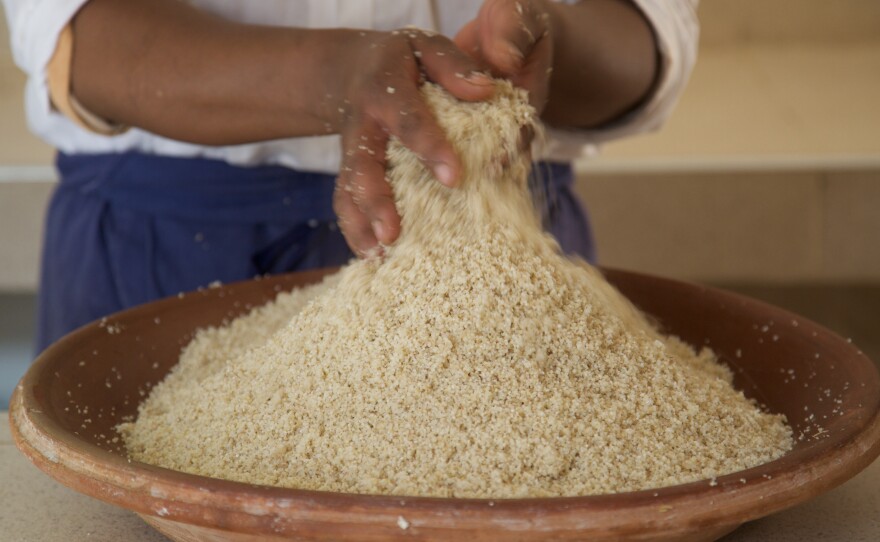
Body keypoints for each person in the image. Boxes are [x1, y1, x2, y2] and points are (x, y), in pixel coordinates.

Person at [2, 0, 698, 352]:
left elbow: (650, 33)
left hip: (496, 239)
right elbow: (67, 29)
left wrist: (545, 37)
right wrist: (334, 77)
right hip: (161, 243)